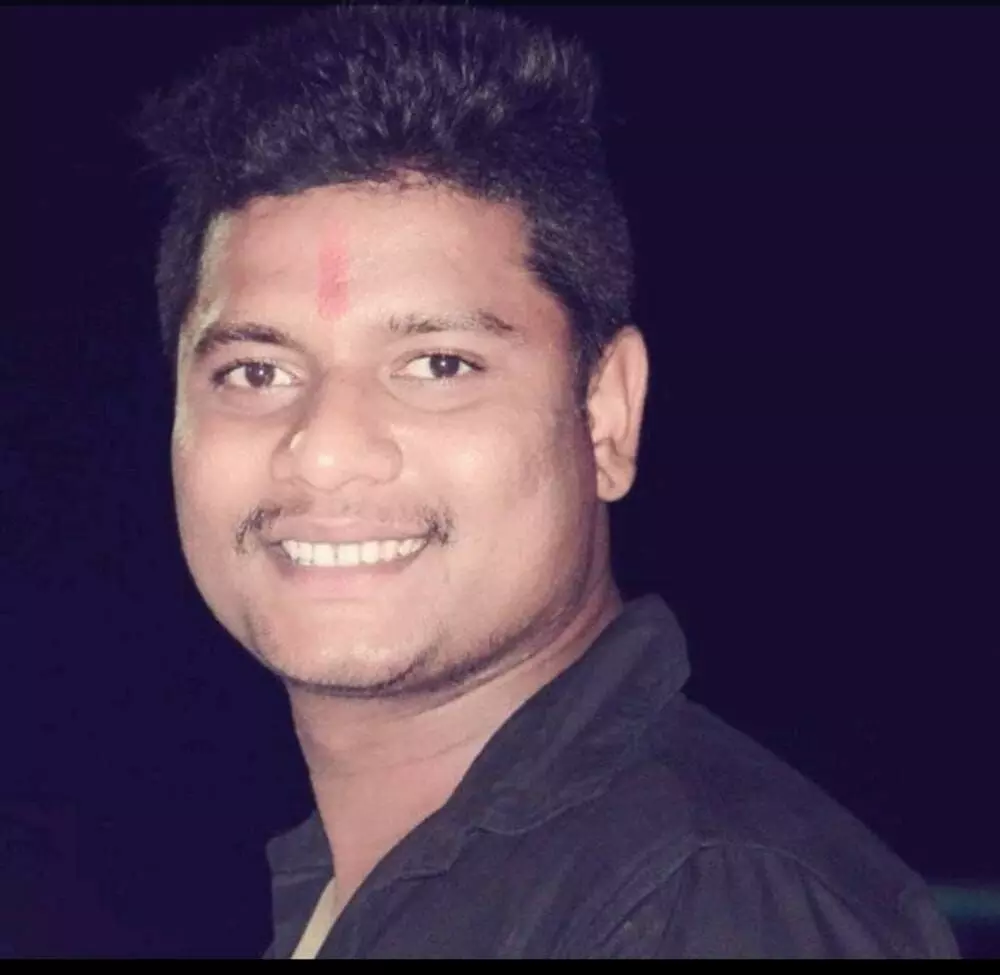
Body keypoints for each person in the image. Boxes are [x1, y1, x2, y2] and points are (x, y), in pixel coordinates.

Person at [135, 4, 958, 959]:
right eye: (256, 372)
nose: (323, 448)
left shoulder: (696, 905)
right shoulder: (358, 887)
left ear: (605, 415)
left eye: (439, 364)